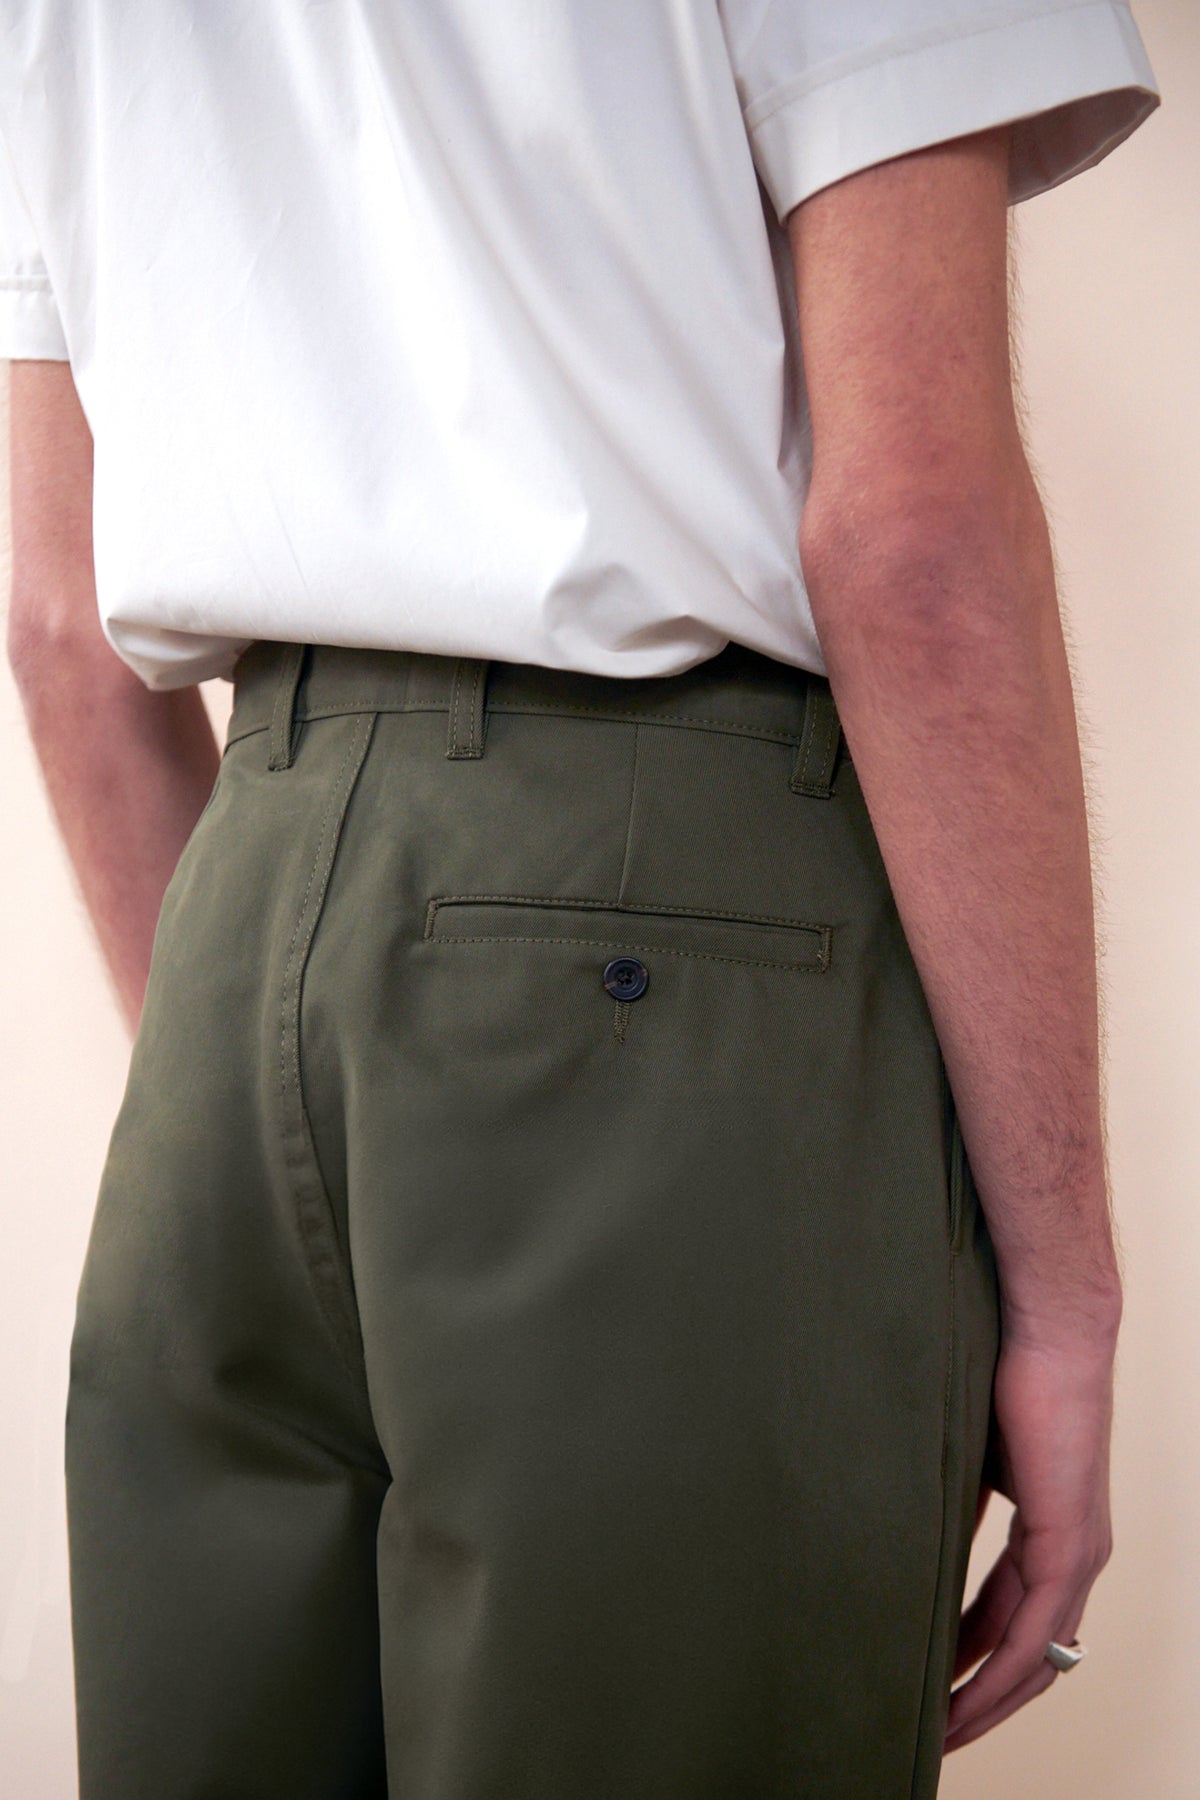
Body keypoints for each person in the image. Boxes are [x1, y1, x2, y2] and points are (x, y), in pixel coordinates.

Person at [1, 3, 1161, 1795]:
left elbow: (64, 624)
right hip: (665, 924)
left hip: (241, 947)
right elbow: (911, 535)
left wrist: (280, 1080)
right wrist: (1065, 1301)